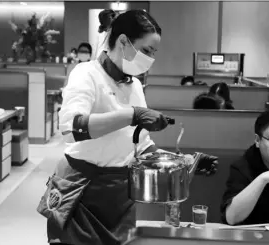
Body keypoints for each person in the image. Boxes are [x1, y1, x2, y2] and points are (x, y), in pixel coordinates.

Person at [37, 10, 218, 245]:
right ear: (123, 41)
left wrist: (186, 163)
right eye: (145, 50)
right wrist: (131, 115)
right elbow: (72, 129)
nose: (149, 59)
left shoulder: (135, 86)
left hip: (120, 198)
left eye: (153, 53)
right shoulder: (86, 73)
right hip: (82, 192)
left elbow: (143, 148)